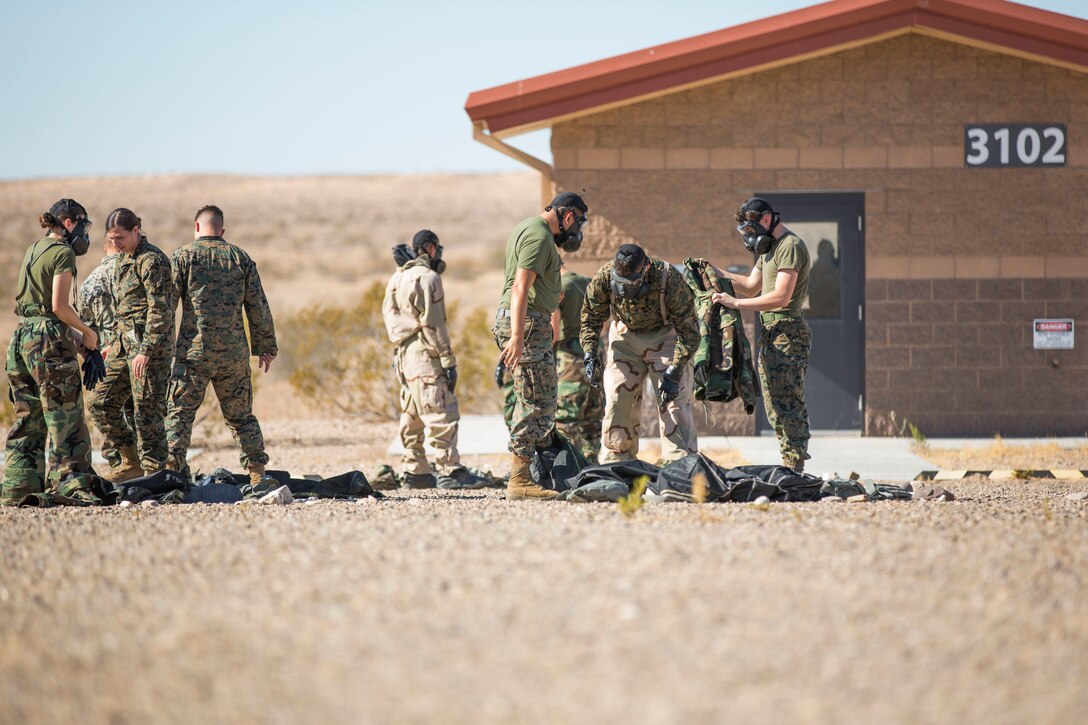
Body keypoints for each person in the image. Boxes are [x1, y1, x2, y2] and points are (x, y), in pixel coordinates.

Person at [164, 205, 277, 484]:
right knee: (241, 417)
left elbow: (165, 306)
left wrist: (157, 348)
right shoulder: (240, 258)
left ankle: (172, 473)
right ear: (222, 231)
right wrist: (266, 347)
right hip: (233, 354)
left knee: (179, 413)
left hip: (193, 352)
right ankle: (257, 474)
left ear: (197, 227)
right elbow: (258, 306)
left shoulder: (183, 257)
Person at [1, 199, 101, 505]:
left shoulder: (33, 249)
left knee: (28, 417)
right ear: (68, 223)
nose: (83, 231)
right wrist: (87, 333)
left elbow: (39, 309)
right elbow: (59, 306)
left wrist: (76, 340)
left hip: (22, 339)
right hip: (48, 342)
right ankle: (69, 485)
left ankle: (18, 486)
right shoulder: (63, 252)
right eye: (81, 224)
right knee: (64, 417)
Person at [494, 191, 588, 501]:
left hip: (532, 323)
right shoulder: (537, 235)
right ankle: (520, 480)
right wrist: (518, 335)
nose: (577, 233)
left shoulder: (530, 228)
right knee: (536, 402)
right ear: (569, 216)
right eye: (578, 224)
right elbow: (521, 286)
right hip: (528, 326)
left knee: (541, 400)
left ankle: (535, 472)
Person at [713, 197, 812, 472]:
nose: (750, 236)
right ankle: (791, 463)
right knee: (774, 404)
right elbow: (749, 285)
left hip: (787, 331)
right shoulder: (768, 249)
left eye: (751, 229)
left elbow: (781, 297)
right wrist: (714, 271)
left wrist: (734, 304)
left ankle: (795, 467)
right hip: (772, 331)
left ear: (766, 220)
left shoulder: (790, 246)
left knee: (787, 400)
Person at [381, 230, 486, 490]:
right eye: (436, 247)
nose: (438, 252)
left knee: (412, 412)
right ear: (428, 248)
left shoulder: (397, 277)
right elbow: (434, 323)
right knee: (440, 409)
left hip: (403, 354)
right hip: (425, 352)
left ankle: (415, 470)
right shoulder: (429, 277)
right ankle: (448, 469)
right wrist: (448, 360)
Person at [580, 244, 700, 464]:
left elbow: (689, 329)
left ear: (644, 270)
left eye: (631, 284)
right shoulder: (604, 277)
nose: (625, 290)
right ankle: (617, 461)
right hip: (625, 337)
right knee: (617, 396)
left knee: (673, 400)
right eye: (620, 283)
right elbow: (590, 317)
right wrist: (589, 352)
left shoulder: (668, 278)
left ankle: (680, 463)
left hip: (666, 336)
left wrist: (676, 369)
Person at [92, 208, 174, 476]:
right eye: (111, 238)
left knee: (147, 415)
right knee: (100, 401)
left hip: (149, 351)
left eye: (120, 237)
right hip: (122, 346)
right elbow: (124, 308)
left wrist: (146, 351)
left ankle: (155, 475)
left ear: (136, 231)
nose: (115, 243)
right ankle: (130, 462)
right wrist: (113, 342)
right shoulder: (123, 260)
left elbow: (160, 310)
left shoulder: (152, 261)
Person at [80, 233, 140, 482]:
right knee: (140, 412)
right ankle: (150, 468)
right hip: (138, 354)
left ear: (104, 251)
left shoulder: (90, 282)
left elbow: (85, 328)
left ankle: (121, 465)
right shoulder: (135, 273)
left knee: (110, 410)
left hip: (107, 358)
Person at [552, 262, 604, 462]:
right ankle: (591, 464)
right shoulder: (589, 283)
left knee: (566, 417)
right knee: (592, 415)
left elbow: (554, 333)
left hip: (569, 360)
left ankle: (570, 466)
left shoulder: (558, 288)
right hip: (594, 354)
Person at [806, 238, 840, 317]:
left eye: (829, 253)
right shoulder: (813, 273)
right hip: (818, 315)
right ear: (819, 253)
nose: (827, 256)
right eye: (824, 253)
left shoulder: (837, 272)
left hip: (835, 315)